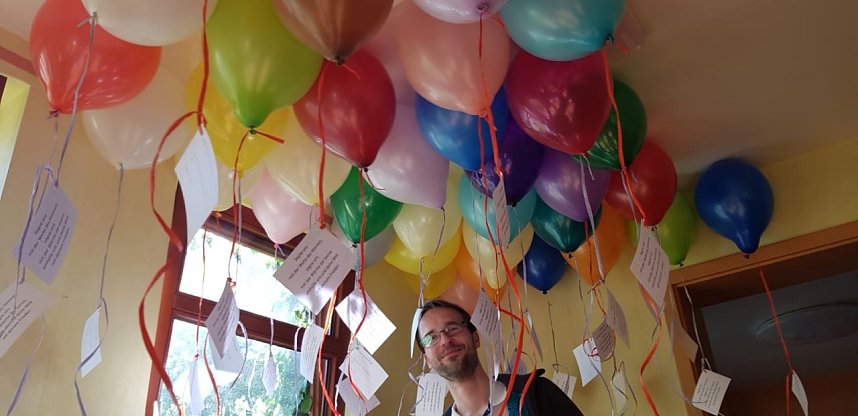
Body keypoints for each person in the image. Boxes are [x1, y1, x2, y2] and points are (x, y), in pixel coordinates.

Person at [415, 299, 584, 416]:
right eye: (431, 338)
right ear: (427, 360)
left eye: (452, 328)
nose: (445, 340)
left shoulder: (538, 393)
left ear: (475, 338)